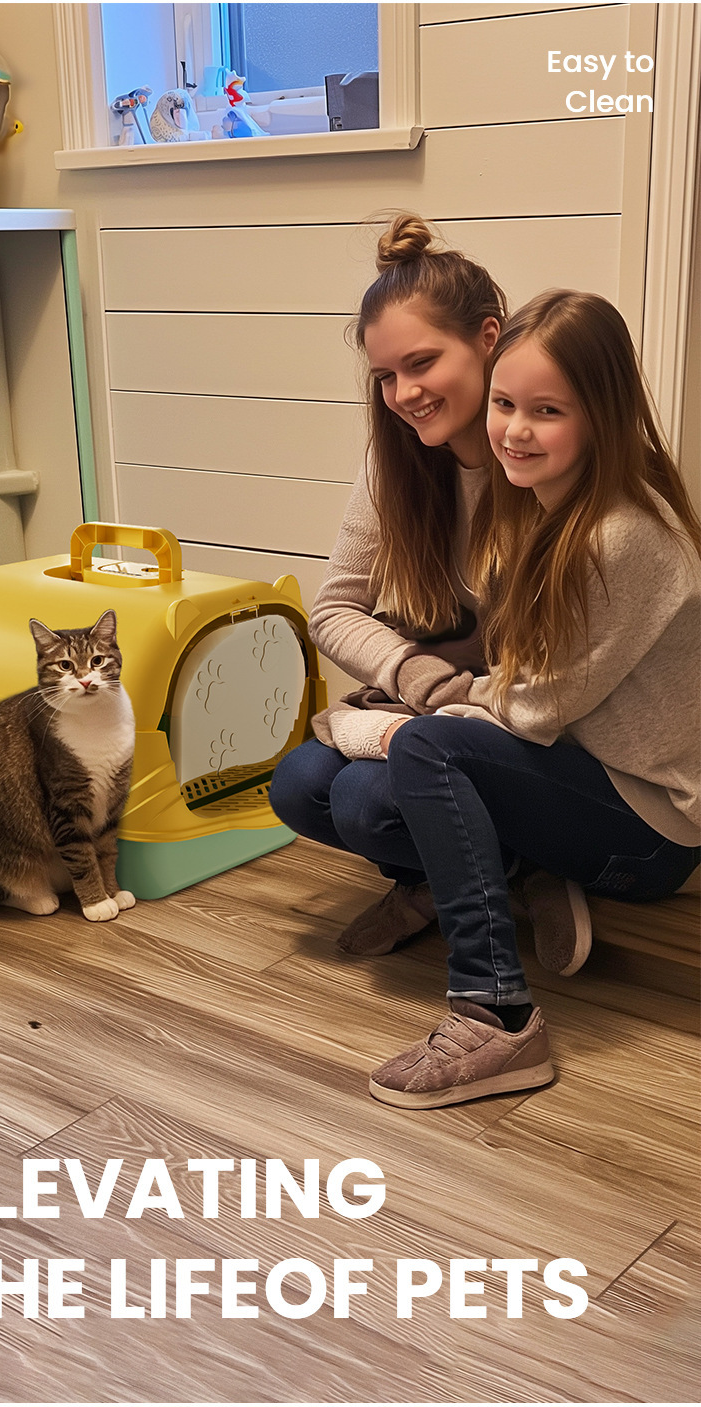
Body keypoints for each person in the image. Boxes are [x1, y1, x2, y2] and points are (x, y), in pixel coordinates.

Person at [364, 288, 701, 1109]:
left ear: (601, 417)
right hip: (593, 774)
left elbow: (534, 709)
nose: (514, 429)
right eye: (506, 403)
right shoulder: (547, 505)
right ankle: (532, 876)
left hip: (651, 829)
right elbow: (521, 681)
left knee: (423, 750)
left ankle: (497, 1016)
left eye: (546, 411)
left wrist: (386, 721)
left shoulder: (620, 535)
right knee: (378, 777)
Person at [270, 212, 585, 968]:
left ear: (488, 338)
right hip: (441, 705)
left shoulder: (545, 458)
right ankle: (481, 873)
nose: (404, 393)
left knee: (363, 800)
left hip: (532, 721)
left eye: (421, 363)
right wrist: (419, 677)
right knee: (301, 785)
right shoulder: (397, 463)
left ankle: (541, 860)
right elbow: (334, 609)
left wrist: (457, 708)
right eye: (386, 376)